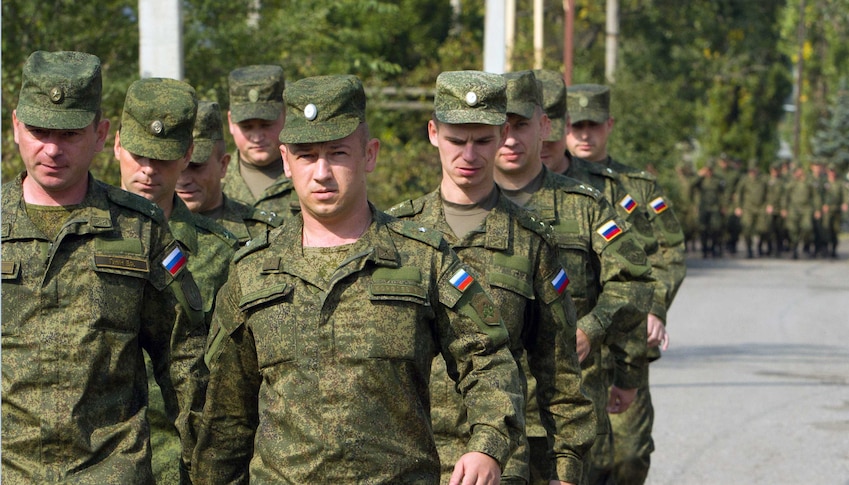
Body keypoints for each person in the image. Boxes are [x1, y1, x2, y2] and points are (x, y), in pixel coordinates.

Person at [193, 74, 525, 484]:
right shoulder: (252, 272)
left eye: (337, 153)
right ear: (285, 160)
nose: (321, 172)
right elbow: (226, 421)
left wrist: (486, 446)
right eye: (306, 155)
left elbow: (489, 359)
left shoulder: (423, 259)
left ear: (369, 154)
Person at [2, 50, 207, 483]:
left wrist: (208, 469)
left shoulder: (139, 230)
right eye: (40, 131)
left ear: (100, 133)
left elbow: (184, 361)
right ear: (16, 126)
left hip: (112, 472)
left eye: (71, 133)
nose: (52, 149)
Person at [387, 70, 596, 485]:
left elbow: (560, 372)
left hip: (500, 462)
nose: (469, 155)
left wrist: (565, 470)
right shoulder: (394, 234)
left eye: (483, 140)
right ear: (433, 132)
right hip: (403, 459)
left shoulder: (530, 240)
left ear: (502, 135)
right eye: (456, 140)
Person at [494, 72, 654, 485]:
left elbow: (633, 279)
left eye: (521, 126)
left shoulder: (586, 206)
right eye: (499, 127)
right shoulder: (449, 215)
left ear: (545, 127)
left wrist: (595, 332)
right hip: (483, 422)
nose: (509, 139)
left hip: (569, 413)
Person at [114, 77, 238, 484]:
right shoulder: (85, 241)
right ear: (116, 144)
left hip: (187, 463)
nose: (149, 171)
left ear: (187, 155)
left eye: (164, 158)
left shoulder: (222, 251)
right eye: (139, 155)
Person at [565, 83, 686, 485]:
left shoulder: (639, 188)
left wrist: (655, 308)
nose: (585, 134)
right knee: (580, 462)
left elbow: (668, 252)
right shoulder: (551, 184)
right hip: (574, 338)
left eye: (593, 125)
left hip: (625, 338)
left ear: (609, 125)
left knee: (629, 456)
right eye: (576, 125)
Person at [177, 100, 283, 244]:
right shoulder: (148, 227)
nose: (184, 180)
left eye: (196, 166)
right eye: (177, 166)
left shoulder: (265, 233)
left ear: (223, 165)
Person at [223, 64, 299, 217]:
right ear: (231, 122)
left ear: (284, 116)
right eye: (247, 127)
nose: (257, 137)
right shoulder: (212, 183)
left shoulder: (308, 178)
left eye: (266, 125)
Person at [781, 164, 822, 259]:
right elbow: (785, 196)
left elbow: (815, 196)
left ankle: (806, 244)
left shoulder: (809, 182)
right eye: (796, 171)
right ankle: (794, 249)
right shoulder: (791, 182)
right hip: (793, 208)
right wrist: (784, 208)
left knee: (807, 227)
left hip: (806, 208)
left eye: (799, 170)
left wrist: (817, 209)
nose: (798, 173)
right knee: (792, 229)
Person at [690, 160, 726, 258]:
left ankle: (714, 248)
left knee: (716, 228)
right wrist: (700, 175)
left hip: (715, 207)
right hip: (703, 207)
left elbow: (722, 194)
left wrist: (723, 206)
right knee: (703, 229)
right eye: (707, 169)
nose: (709, 172)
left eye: (710, 170)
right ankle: (704, 249)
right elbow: (691, 185)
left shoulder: (717, 180)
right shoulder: (701, 180)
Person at [733, 161, 768, 258]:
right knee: (747, 228)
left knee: (763, 229)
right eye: (751, 170)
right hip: (748, 207)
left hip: (761, 207)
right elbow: (738, 193)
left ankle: (760, 246)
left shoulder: (762, 180)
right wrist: (738, 207)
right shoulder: (744, 180)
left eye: (754, 170)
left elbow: (767, 193)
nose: (753, 172)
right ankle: (749, 249)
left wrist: (768, 205)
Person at [821, 162, 849, 258]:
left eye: (833, 171)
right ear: (827, 171)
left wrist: (845, 203)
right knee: (826, 230)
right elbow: (818, 195)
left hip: (836, 210)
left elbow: (845, 193)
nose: (832, 173)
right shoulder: (824, 182)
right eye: (830, 171)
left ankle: (833, 250)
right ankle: (825, 249)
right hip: (826, 211)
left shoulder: (839, 182)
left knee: (835, 230)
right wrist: (822, 205)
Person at [763, 161, 787, 257]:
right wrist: (767, 205)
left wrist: (784, 208)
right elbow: (763, 194)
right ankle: (769, 248)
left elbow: (785, 195)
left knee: (779, 230)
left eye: (777, 170)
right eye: (774, 170)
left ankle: (778, 249)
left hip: (779, 209)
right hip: (769, 209)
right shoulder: (766, 180)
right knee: (768, 229)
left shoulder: (783, 181)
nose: (775, 172)